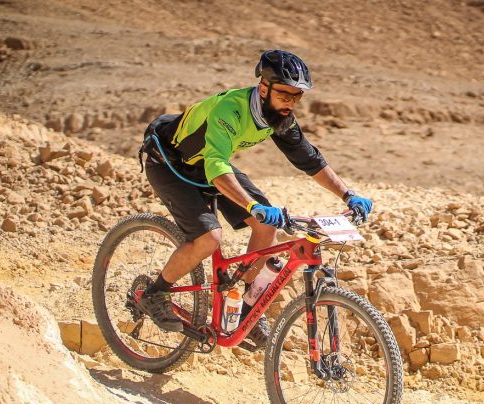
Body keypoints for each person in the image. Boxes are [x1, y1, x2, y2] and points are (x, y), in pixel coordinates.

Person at [137, 49, 373, 349]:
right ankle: (155, 293)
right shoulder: (231, 110)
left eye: (297, 96)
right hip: (170, 163)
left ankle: (246, 308)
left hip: (207, 164)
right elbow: (216, 166)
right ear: (263, 88)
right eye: (284, 94)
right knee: (209, 238)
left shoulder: (279, 116)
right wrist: (252, 205)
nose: (290, 102)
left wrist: (348, 195)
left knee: (267, 226)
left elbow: (309, 160)